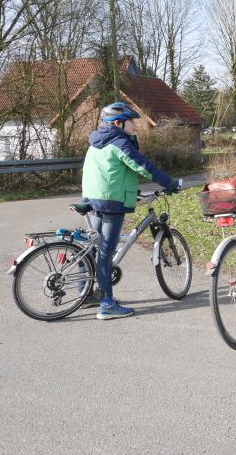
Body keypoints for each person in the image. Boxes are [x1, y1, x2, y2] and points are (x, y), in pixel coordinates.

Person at [81, 101, 180, 320]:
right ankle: (106, 303)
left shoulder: (97, 140)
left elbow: (110, 171)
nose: (134, 126)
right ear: (117, 123)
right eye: (131, 122)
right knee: (105, 252)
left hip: (94, 198)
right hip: (110, 202)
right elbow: (144, 167)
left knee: (92, 247)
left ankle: (85, 293)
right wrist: (170, 183)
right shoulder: (118, 142)